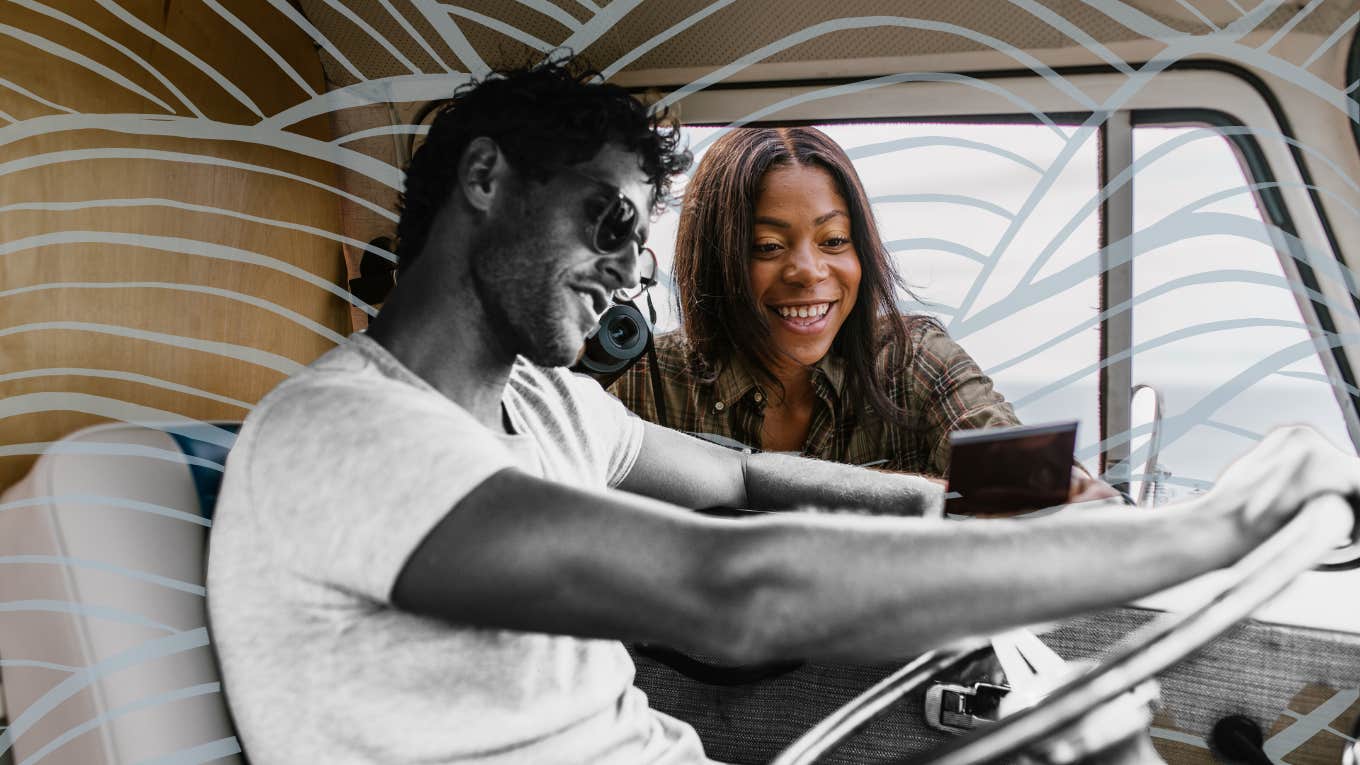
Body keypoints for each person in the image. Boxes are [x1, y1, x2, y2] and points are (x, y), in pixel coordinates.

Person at [205, 58, 1359, 765]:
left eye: (834, 240)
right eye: (610, 222)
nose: (625, 272)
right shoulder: (340, 435)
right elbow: (733, 587)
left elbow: (749, 482)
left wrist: (1011, 512)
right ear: (488, 179)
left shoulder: (558, 410)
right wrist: (1204, 532)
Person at [611, 126, 1107, 502]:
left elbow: (1041, 487)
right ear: (716, 263)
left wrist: (1064, 491)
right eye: (767, 246)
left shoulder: (913, 361)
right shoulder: (643, 380)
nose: (808, 271)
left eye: (833, 241)